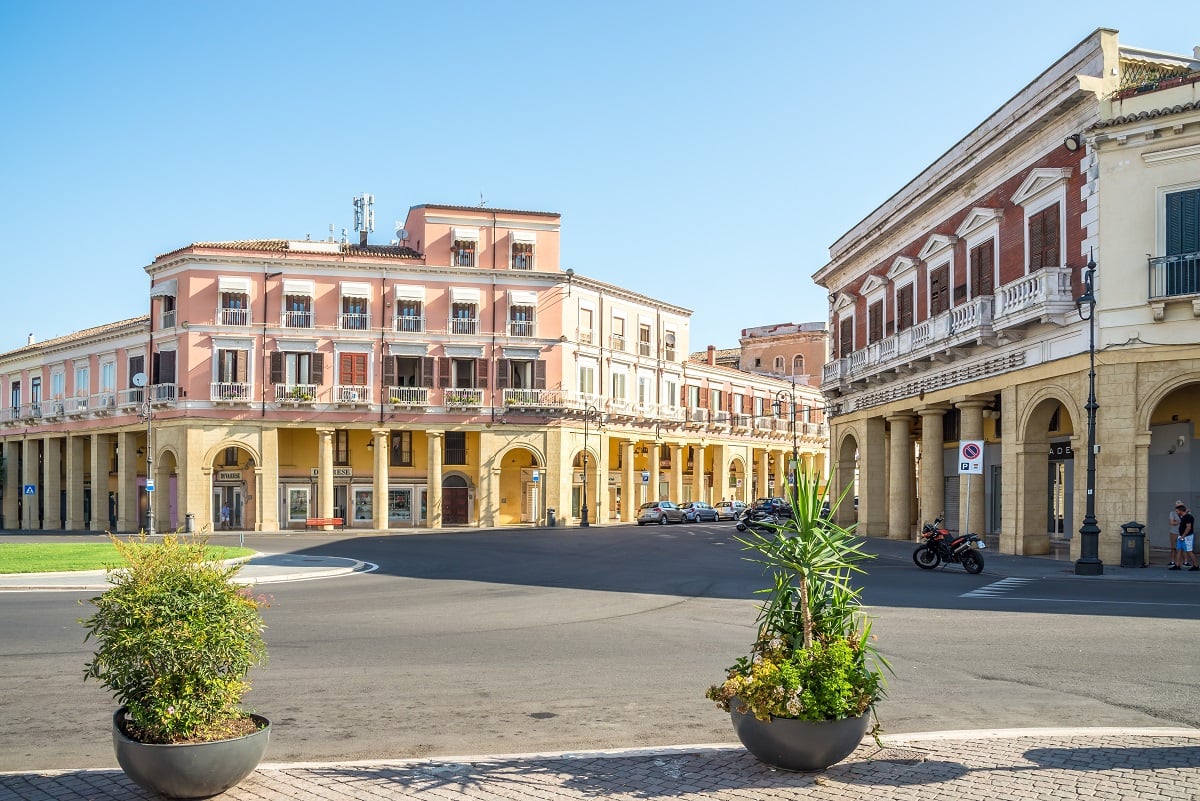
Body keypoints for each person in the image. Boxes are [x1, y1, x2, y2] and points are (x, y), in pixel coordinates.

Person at [1170, 502, 1197, 571]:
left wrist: (1183, 536)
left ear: (1181, 511)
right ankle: (1177, 565)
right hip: (1181, 536)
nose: (1177, 512)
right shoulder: (1183, 516)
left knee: (1189, 551)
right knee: (1179, 550)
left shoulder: (1188, 517)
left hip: (1187, 536)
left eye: (1177, 511)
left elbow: (1188, 528)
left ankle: (1196, 566)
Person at [1168, 501, 1183, 568]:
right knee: (1173, 547)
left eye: (1180, 506)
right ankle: (1172, 561)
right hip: (1174, 532)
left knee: (1181, 548)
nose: (1179, 507)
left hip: (1183, 533)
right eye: (1177, 506)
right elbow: (1171, 522)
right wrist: (1180, 521)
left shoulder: (1186, 512)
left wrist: (1176, 522)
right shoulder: (1172, 513)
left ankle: (1181, 562)